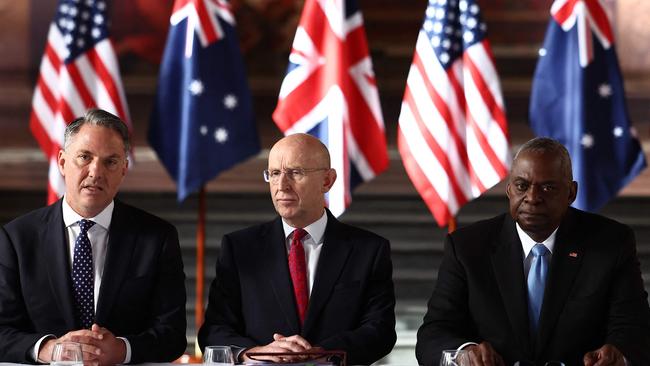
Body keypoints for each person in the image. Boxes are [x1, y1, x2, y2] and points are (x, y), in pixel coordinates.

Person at [416, 137, 650, 366]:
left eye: (548, 187)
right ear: (509, 190)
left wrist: (620, 355)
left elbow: (635, 329)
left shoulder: (612, 243)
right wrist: (462, 354)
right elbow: (433, 334)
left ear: (571, 193)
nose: (532, 198)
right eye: (522, 186)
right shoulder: (467, 246)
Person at [0, 109, 187, 365]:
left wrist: (122, 350)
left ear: (123, 169)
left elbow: (173, 334)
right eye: (84, 157)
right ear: (63, 163)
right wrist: (48, 349)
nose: (95, 171)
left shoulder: (157, 238)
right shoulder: (16, 238)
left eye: (110, 162)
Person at [198, 133, 396, 365]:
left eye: (295, 172)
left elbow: (379, 331)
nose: (282, 185)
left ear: (327, 180)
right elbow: (214, 330)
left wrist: (320, 354)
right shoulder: (239, 248)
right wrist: (256, 352)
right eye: (274, 173)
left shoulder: (369, 250)